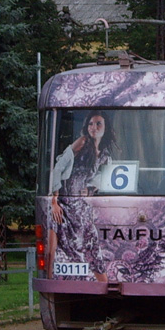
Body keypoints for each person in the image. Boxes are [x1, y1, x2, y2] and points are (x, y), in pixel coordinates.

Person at [48, 112, 115, 281]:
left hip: (82, 207)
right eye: (91, 124)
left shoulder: (105, 155)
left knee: (92, 249)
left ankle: (104, 287)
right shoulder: (82, 142)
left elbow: (103, 180)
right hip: (65, 200)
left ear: (105, 128)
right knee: (54, 240)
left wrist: (91, 188)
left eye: (98, 124)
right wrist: (54, 200)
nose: (94, 127)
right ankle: (48, 281)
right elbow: (58, 168)